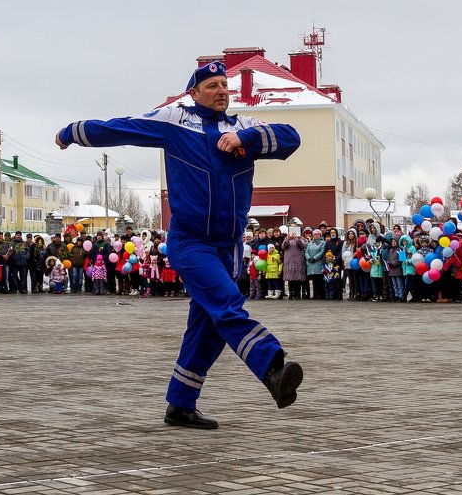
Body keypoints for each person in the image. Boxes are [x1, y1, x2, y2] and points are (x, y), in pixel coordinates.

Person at [55, 59, 304, 429]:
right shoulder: (176, 120)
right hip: (191, 242)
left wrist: (244, 139)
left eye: (224, 85)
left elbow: (291, 137)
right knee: (227, 304)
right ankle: (271, 366)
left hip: (230, 245)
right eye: (212, 86)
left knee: (207, 330)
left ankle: (181, 404)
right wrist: (74, 131)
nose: (221, 91)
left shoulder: (243, 126)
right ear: (194, 93)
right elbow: (123, 128)